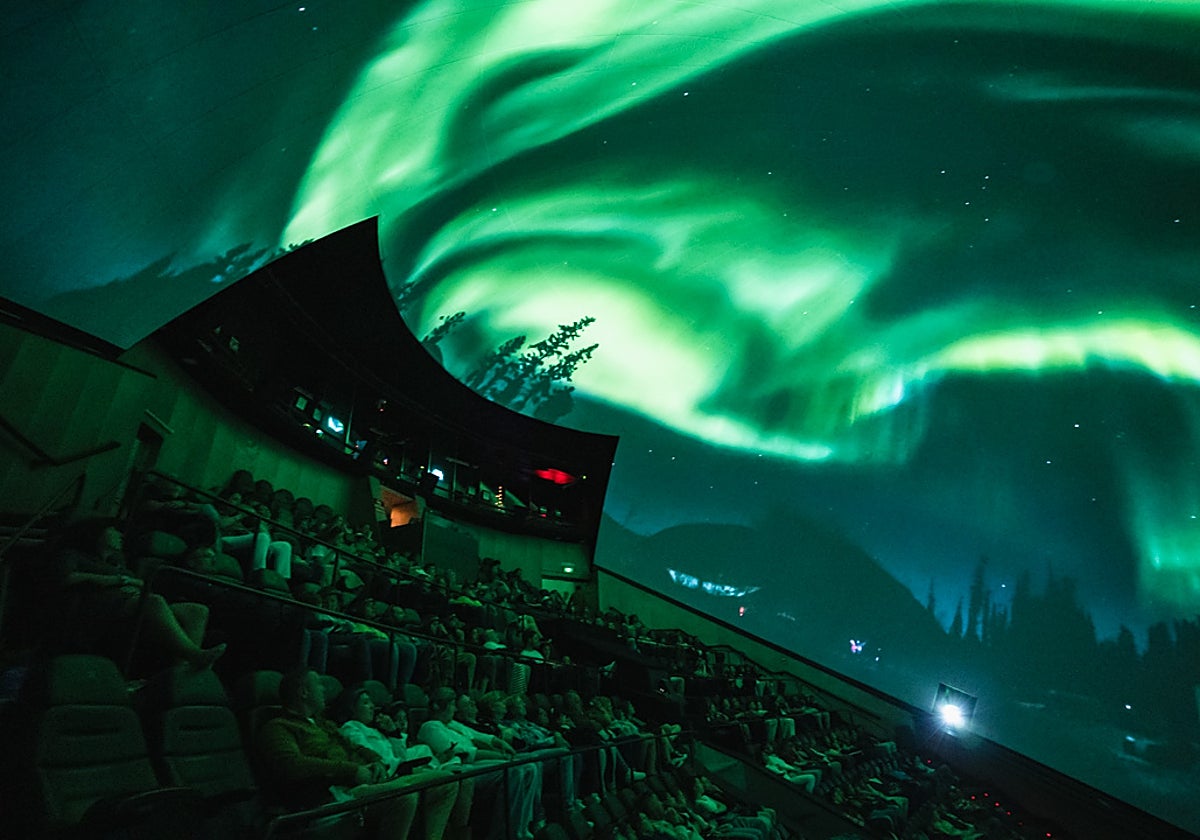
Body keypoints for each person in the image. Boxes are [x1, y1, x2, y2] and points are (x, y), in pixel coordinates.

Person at [256, 668, 453, 840]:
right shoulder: (278, 727)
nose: (324, 689)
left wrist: (376, 761)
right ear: (304, 691)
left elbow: (355, 748)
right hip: (333, 797)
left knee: (448, 781)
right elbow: (292, 765)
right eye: (318, 684)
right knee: (404, 797)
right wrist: (353, 771)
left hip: (363, 784)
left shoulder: (325, 724)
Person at [51, 518, 225, 669]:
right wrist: (116, 581)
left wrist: (126, 580)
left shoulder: (117, 562)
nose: (120, 535)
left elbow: (141, 582)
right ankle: (195, 655)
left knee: (197, 610)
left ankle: (180, 673)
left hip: (131, 602)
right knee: (154, 601)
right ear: (97, 533)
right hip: (101, 605)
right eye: (113, 530)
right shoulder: (74, 555)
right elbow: (68, 578)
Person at [331, 685, 473, 840]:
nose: (372, 706)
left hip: (398, 772)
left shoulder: (376, 730)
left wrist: (393, 732)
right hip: (383, 778)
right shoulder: (350, 728)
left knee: (449, 782)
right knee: (445, 780)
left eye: (371, 702)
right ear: (351, 707)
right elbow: (372, 758)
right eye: (365, 703)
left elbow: (401, 755)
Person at [417, 688, 539, 840]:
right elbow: (463, 753)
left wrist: (498, 741)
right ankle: (503, 834)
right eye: (452, 704)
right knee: (513, 771)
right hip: (461, 769)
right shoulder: (430, 727)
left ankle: (522, 827)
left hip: (475, 764)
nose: (455, 709)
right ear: (437, 706)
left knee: (529, 767)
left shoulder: (453, 724)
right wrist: (500, 756)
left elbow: (479, 735)